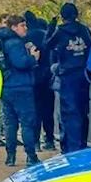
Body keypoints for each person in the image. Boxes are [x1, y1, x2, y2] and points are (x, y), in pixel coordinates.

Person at [0, 16, 40, 167]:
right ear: (14, 27)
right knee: (27, 122)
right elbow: (21, 63)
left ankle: (10, 156)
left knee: (10, 123)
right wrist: (33, 58)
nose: (25, 28)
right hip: (21, 86)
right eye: (22, 25)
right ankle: (31, 156)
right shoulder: (16, 43)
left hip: (6, 85)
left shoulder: (0, 42)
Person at [46, 3, 91, 154]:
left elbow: (47, 45)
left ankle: (71, 148)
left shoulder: (60, 32)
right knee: (82, 110)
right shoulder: (84, 30)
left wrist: (51, 26)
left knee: (69, 112)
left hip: (67, 75)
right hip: (84, 75)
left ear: (62, 16)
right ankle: (82, 144)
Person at [23, 11, 57, 151]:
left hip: (32, 78)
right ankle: (49, 139)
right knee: (48, 110)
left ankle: (35, 142)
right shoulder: (45, 35)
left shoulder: (25, 37)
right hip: (47, 76)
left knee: (34, 111)